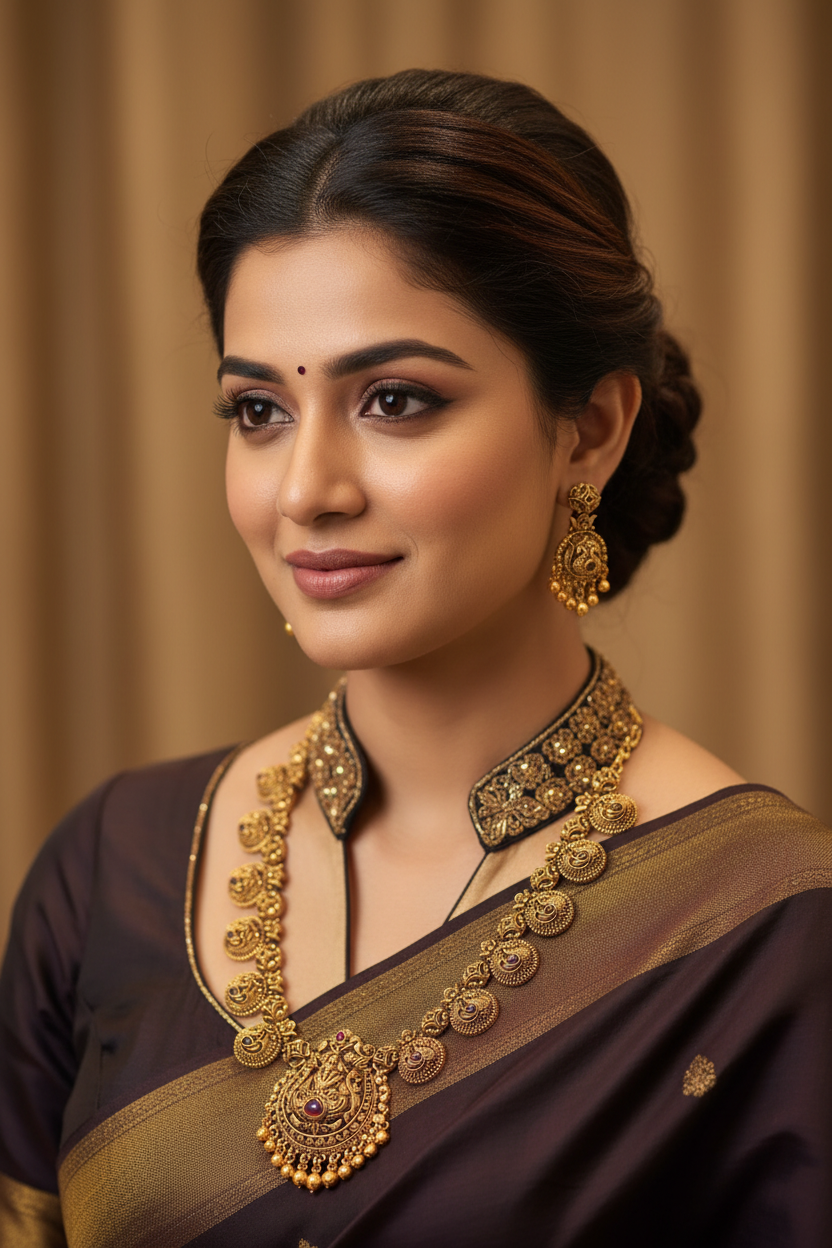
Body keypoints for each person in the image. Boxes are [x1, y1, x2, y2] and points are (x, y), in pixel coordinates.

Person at [2, 68, 831, 1248]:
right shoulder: (111, 871)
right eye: (257, 411)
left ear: (588, 428)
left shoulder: (767, 928)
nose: (306, 491)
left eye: (394, 399)